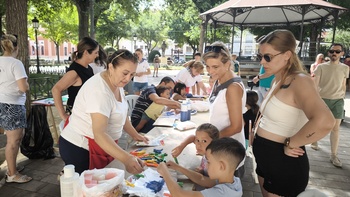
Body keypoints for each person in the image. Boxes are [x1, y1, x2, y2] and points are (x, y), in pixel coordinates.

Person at [252, 29, 334, 197]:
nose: (262, 62)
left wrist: (292, 142)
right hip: (266, 157)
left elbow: (325, 121)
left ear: (287, 55)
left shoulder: (300, 81)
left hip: (283, 162)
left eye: (268, 57)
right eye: (259, 56)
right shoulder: (279, 78)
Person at [59, 49, 149, 174]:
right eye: (125, 73)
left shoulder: (117, 83)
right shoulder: (99, 90)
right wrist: (127, 159)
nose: (128, 78)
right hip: (81, 148)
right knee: (88, 189)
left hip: (103, 145)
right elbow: (100, 134)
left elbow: (121, 116)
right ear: (111, 67)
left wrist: (135, 135)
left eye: (132, 75)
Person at [203, 41, 246, 178]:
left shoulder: (232, 88)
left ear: (227, 64)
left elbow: (236, 126)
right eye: (208, 66)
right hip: (219, 149)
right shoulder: (219, 79)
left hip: (229, 154)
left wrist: (208, 140)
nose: (210, 71)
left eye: (215, 67)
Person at [158, 137, 245, 197]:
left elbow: (178, 194)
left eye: (209, 162)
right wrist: (178, 167)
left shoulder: (221, 193)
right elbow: (202, 179)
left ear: (222, 166)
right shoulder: (233, 181)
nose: (206, 165)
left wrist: (165, 172)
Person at [0, 34, 32, 183]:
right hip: (13, 105)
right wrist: (26, 85)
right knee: (13, 141)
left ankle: (13, 168)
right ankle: (12, 174)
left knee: (12, 139)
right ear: (16, 47)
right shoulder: (15, 63)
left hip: (2, 103)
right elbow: (23, 87)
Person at [312, 43, 349, 168]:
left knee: (336, 128)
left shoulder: (345, 68)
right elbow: (315, 85)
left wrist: (342, 95)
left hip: (338, 100)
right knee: (319, 124)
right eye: (332, 51)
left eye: (337, 52)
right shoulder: (321, 67)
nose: (334, 53)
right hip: (323, 99)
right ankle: (314, 140)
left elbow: (344, 83)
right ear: (329, 53)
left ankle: (334, 155)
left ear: (342, 53)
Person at [52, 37, 100, 122]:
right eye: (95, 52)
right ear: (86, 53)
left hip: (86, 114)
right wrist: (63, 115)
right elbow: (56, 90)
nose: (97, 55)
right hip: (77, 116)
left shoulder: (88, 68)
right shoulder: (74, 72)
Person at [170, 123, 219, 191]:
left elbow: (205, 181)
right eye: (197, 140)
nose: (198, 145)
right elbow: (192, 137)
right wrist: (181, 147)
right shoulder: (207, 153)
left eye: (204, 141)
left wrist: (178, 167)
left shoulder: (216, 162)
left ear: (215, 143)